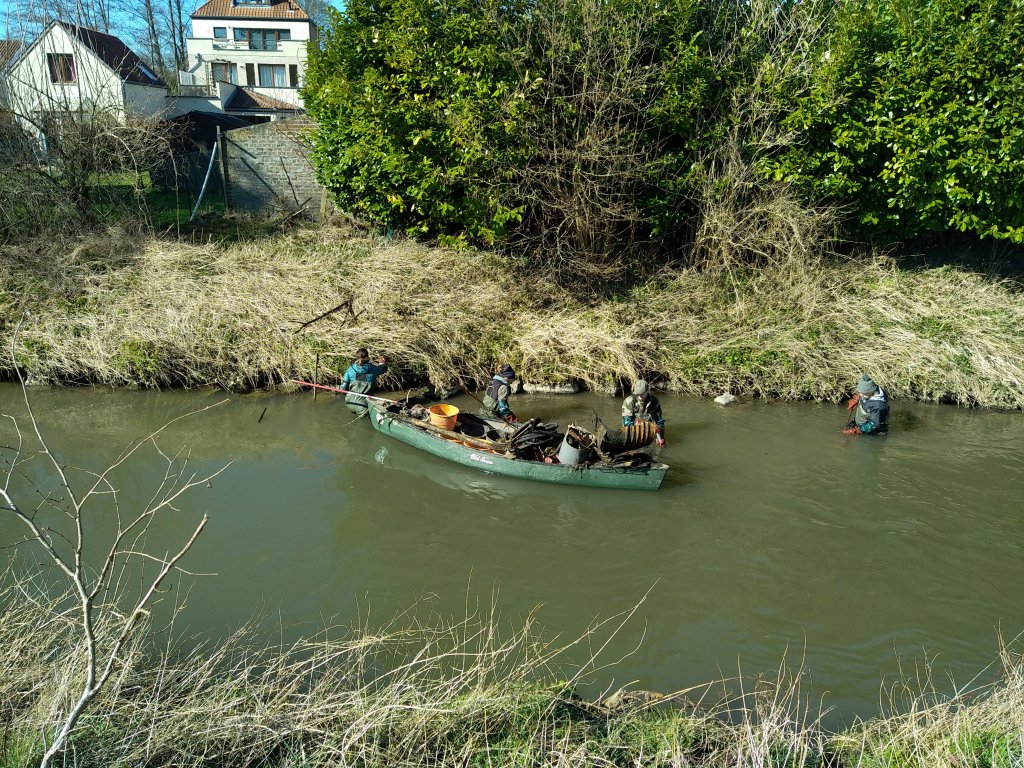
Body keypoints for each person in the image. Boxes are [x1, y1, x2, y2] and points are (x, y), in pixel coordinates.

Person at [622, 379, 666, 447]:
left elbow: (660, 421)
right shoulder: (629, 402)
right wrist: (646, 426)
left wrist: (661, 436)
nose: (639, 396)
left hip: (651, 430)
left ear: (647, 390)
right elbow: (627, 423)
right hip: (634, 430)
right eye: (637, 393)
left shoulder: (654, 401)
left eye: (642, 393)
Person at [342, 347, 387, 412]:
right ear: (367, 357)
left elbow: (343, 388)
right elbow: (383, 369)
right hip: (364, 405)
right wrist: (382, 362)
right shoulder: (373, 369)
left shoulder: (350, 369)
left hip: (349, 402)